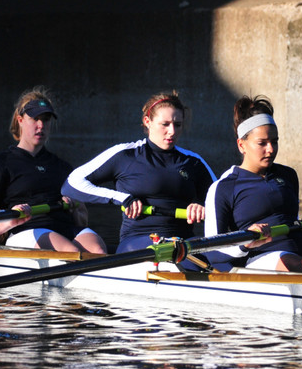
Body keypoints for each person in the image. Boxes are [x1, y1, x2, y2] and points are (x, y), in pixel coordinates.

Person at [204, 95, 302, 276]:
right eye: (262, 143)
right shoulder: (224, 187)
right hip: (261, 255)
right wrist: (246, 241)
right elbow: (211, 249)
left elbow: (289, 222)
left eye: (274, 141)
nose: (271, 149)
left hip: (300, 247)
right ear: (241, 145)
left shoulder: (288, 175)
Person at [62, 91, 216, 252]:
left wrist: (202, 206)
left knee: (214, 253)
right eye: (165, 124)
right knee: (173, 252)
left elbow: (222, 199)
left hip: (183, 242)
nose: (172, 131)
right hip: (137, 241)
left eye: (177, 125)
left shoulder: (193, 161)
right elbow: (71, 184)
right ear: (147, 121)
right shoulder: (125, 155)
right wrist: (121, 198)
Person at [0, 87, 106, 253]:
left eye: (46, 119)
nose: (41, 125)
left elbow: (81, 222)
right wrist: (10, 222)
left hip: (63, 228)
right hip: (25, 230)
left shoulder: (62, 167)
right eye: (35, 119)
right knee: (71, 252)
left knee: (98, 251)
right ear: (20, 119)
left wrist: (76, 209)